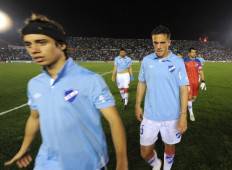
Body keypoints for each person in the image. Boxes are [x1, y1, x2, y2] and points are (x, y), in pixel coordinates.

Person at [5, 14, 128, 170]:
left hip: (88, 164)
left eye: (41, 42)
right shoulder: (34, 84)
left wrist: (122, 164)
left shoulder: (90, 80)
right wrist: (25, 148)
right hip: (47, 163)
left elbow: (114, 121)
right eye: (28, 44)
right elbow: (34, 117)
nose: (33, 50)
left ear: (61, 45)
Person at [135, 25, 189, 170]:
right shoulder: (146, 61)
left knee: (169, 146)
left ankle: (166, 168)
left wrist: (183, 115)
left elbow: (184, 89)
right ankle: (156, 163)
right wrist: (137, 104)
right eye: (155, 42)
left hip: (172, 116)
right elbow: (142, 82)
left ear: (169, 42)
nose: (158, 46)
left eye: (162, 42)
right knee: (145, 151)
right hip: (150, 115)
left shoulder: (177, 62)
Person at [183, 47, 206, 121]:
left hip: (196, 83)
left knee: (194, 98)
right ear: (189, 53)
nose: (194, 53)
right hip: (188, 83)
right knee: (189, 98)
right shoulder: (184, 60)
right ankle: (191, 113)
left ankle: (186, 104)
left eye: (195, 52)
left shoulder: (198, 61)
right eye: (192, 52)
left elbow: (201, 71)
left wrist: (203, 81)